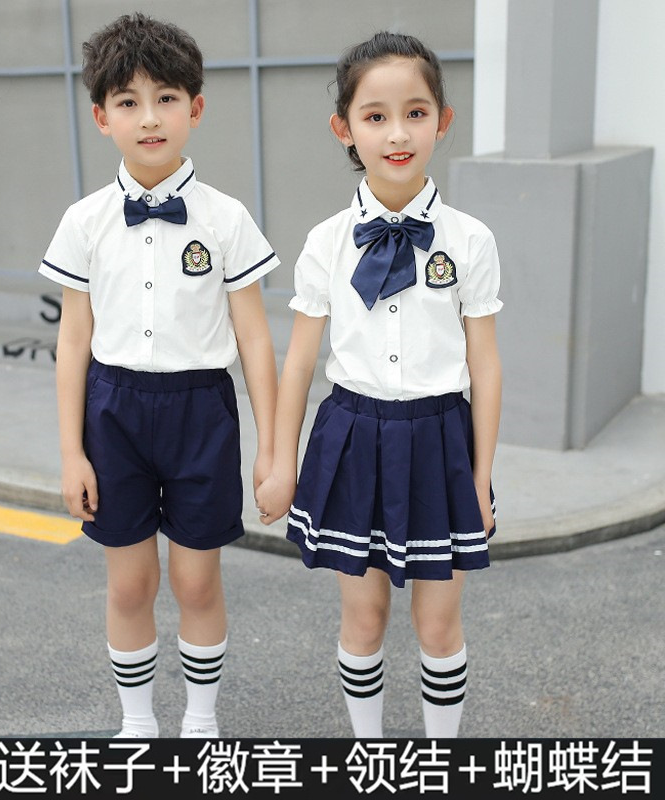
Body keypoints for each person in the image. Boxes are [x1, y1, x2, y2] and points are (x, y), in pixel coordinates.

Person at [38, 12, 279, 739]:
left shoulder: (226, 218)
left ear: (196, 109)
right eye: (129, 102)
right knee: (131, 580)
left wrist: (272, 451)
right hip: (113, 411)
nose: (150, 118)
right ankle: (137, 720)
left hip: (201, 409)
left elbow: (255, 339)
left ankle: (200, 718)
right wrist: (72, 451)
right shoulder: (83, 222)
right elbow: (72, 341)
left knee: (198, 578)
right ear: (101, 116)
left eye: (167, 98)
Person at [255, 31, 502, 739]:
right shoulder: (327, 240)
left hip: (440, 439)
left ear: (443, 121)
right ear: (345, 128)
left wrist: (482, 474)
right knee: (362, 618)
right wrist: (278, 460)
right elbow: (298, 363)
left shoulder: (470, 240)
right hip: (353, 436)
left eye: (416, 113)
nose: (398, 133)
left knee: (438, 619)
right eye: (375, 116)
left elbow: (484, 364)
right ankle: (370, 754)